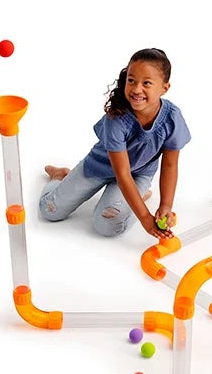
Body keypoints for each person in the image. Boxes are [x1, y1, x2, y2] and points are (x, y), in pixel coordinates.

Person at [39, 48, 191, 238]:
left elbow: (169, 165)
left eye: (146, 83)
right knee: (50, 211)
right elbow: (122, 173)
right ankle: (60, 176)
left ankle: (138, 196)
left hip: (138, 175)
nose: (136, 89)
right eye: (131, 80)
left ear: (164, 88)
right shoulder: (116, 118)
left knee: (106, 226)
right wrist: (145, 218)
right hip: (100, 167)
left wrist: (166, 205)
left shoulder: (172, 117)